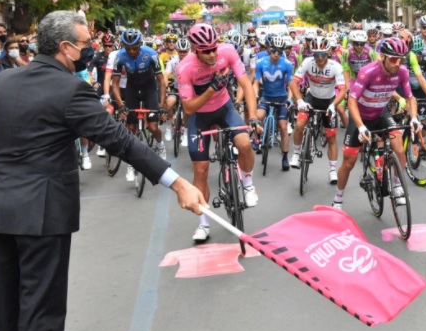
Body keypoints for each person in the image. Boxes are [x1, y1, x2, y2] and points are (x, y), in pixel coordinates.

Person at [0, 11, 204, 331]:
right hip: (44, 213)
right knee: (40, 311)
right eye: (84, 45)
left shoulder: (5, 81)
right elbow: (120, 140)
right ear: (65, 48)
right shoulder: (71, 88)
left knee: (5, 308)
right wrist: (178, 181)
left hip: (2, 208)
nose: (89, 50)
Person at [176, 23, 260, 243]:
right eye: (206, 51)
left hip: (225, 108)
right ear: (195, 50)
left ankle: (248, 183)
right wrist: (212, 88)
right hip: (200, 117)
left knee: (244, 144)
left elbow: (246, 84)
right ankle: (203, 224)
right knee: (201, 170)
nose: (212, 54)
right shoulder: (185, 68)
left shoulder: (228, 52)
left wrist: (252, 116)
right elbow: (189, 108)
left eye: (214, 48)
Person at [333, 38, 420, 210]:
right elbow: (351, 101)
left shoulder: (401, 71)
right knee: (349, 162)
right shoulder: (368, 72)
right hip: (361, 116)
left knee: (400, 148)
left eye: (401, 59)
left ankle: (397, 186)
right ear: (382, 57)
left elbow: (410, 98)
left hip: (381, 112)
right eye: (393, 59)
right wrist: (360, 126)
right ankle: (338, 197)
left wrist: (414, 118)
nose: (398, 63)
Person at [110, 29, 167, 182]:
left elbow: (161, 81)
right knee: (131, 128)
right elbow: (114, 84)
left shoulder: (151, 54)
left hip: (149, 88)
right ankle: (131, 164)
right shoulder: (119, 56)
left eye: (135, 48)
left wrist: (161, 105)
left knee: (153, 127)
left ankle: (160, 145)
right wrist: (121, 105)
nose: (132, 51)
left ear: (140, 45)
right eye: (128, 48)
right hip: (132, 89)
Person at [288, 37, 346, 183]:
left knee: (331, 137)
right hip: (312, 98)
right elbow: (294, 82)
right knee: (300, 124)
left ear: (328, 53)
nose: (320, 58)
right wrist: (300, 100)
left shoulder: (335, 66)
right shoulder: (308, 62)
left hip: (329, 101)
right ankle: (296, 154)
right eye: (316, 54)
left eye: (322, 54)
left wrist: (333, 105)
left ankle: (332, 170)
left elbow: (343, 89)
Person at [254, 35, 294, 171]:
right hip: (266, 96)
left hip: (281, 98)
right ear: (269, 49)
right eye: (273, 51)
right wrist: (255, 95)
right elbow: (255, 82)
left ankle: (285, 157)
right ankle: (257, 138)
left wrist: (289, 99)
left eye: (279, 52)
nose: (276, 54)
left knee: (283, 127)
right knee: (258, 117)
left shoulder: (287, 64)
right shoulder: (260, 62)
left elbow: (291, 85)